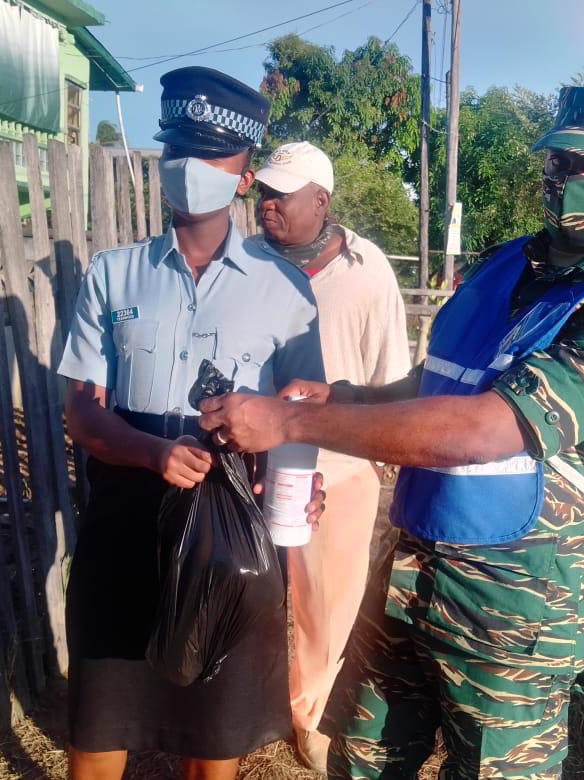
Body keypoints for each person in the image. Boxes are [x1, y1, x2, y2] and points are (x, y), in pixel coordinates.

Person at [199, 76, 584, 778]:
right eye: (561, 162)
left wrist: (289, 420)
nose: (572, 180)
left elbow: (484, 428)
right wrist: (341, 395)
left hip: (517, 609)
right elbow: (437, 386)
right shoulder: (503, 267)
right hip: (409, 572)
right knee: (363, 762)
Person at [57, 66, 326, 780]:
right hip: (125, 526)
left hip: (226, 539)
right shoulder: (112, 276)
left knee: (214, 745)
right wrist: (149, 453)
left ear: (244, 177)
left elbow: (305, 408)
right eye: (176, 149)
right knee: (99, 732)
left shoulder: (286, 290)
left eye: (210, 156)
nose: (187, 169)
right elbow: (81, 410)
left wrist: (295, 479)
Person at [247, 141, 411, 772]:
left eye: (283, 193)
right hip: (253, 464)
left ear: (321, 199)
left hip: (339, 472)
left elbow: (390, 379)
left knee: (327, 603)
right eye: (264, 191)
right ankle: (245, 702)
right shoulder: (245, 264)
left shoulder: (368, 272)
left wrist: (376, 455)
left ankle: (307, 714)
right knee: (252, 591)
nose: (268, 204)